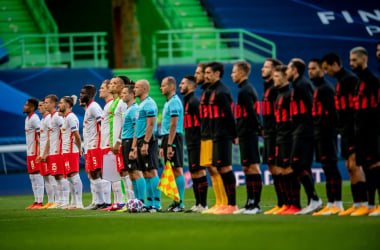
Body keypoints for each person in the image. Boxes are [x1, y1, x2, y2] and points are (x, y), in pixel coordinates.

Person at [321, 53, 368, 215]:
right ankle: (357, 204)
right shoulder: (341, 82)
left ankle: (364, 203)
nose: (326, 72)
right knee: (349, 166)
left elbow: (355, 107)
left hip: (353, 129)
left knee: (355, 165)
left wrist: (354, 127)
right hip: (345, 130)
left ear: (335, 64)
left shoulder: (350, 80)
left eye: (327, 68)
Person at [286, 58, 322, 215]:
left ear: (294, 70)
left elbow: (311, 108)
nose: (286, 71)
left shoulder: (302, 85)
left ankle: (314, 198)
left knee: (297, 164)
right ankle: (311, 201)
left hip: (305, 131)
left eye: (288, 69)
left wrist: (307, 128)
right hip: (300, 131)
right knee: (303, 166)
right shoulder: (298, 85)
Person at [308, 59, 343, 216]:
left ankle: (338, 203)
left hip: (327, 134)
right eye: (309, 69)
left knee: (331, 167)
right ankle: (330, 203)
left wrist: (329, 130)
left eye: (314, 68)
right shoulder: (318, 88)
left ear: (322, 70)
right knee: (327, 167)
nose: (310, 71)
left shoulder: (326, 89)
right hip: (320, 134)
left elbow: (333, 114)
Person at [349, 46, 380, 216]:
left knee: (375, 165)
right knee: (367, 168)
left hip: (372, 131)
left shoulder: (373, 81)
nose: (351, 63)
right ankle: (370, 204)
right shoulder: (359, 82)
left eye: (354, 60)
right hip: (360, 131)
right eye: (351, 60)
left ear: (364, 60)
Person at [206, 62, 238, 215]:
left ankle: (232, 204)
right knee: (219, 168)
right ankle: (225, 204)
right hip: (215, 135)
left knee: (225, 168)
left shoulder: (222, 91)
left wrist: (234, 134)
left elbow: (229, 115)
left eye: (209, 73)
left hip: (224, 135)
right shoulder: (212, 91)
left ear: (217, 73)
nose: (206, 76)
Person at [231, 61, 263, 214]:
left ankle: (255, 204)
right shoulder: (244, 89)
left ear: (242, 73)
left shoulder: (246, 91)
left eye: (234, 72)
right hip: (245, 134)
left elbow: (252, 113)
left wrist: (258, 129)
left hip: (249, 134)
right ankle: (249, 203)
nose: (232, 75)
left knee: (253, 167)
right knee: (246, 167)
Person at [196, 63, 228, 214]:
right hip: (206, 135)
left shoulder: (214, 91)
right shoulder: (206, 91)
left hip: (213, 135)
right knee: (211, 169)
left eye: (200, 73)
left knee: (215, 168)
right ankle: (219, 202)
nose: (198, 76)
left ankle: (224, 202)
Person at [260, 58, 286, 215]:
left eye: (266, 67)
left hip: (278, 133)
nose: (263, 69)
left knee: (281, 167)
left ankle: (289, 203)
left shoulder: (276, 89)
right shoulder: (268, 87)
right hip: (269, 133)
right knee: (272, 167)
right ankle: (281, 203)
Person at [179, 75, 208, 213]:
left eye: (183, 83)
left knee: (200, 171)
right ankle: (198, 204)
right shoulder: (187, 101)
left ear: (191, 86)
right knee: (194, 172)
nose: (180, 85)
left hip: (197, 143)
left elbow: (203, 122)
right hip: (190, 143)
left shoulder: (195, 102)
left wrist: (202, 141)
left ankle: (204, 204)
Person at [271, 65, 298, 215]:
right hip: (280, 136)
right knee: (281, 169)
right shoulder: (280, 95)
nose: (274, 79)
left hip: (288, 137)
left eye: (276, 76)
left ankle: (294, 204)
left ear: (284, 77)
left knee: (288, 170)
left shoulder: (289, 95)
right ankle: (287, 204)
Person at [106, 76, 135, 211]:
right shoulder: (117, 102)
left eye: (115, 83)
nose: (111, 85)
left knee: (126, 172)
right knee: (121, 172)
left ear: (122, 86)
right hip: (118, 141)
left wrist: (118, 141)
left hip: (124, 141)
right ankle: (124, 201)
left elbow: (125, 123)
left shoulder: (123, 103)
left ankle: (130, 200)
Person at [133, 79, 161, 212]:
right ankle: (149, 203)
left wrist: (145, 142)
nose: (134, 89)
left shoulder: (149, 104)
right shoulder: (141, 104)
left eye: (137, 87)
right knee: (145, 172)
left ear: (144, 89)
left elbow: (151, 124)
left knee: (152, 170)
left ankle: (156, 203)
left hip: (148, 140)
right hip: (140, 140)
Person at [117, 83, 146, 212]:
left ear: (131, 94)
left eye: (124, 93)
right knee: (131, 173)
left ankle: (142, 201)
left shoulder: (134, 109)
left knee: (136, 172)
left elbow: (136, 130)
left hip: (130, 142)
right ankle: (137, 200)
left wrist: (134, 148)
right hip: (125, 142)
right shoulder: (129, 109)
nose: (122, 95)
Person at [159, 76, 185, 212]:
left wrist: (169, 144)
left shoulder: (174, 102)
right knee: (172, 170)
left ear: (171, 87)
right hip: (167, 138)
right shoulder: (168, 102)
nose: (160, 88)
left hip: (173, 138)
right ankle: (176, 201)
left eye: (163, 85)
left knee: (177, 169)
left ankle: (180, 203)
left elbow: (174, 124)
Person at [80, 85, 107, 210]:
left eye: (83, 93)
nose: (81, 95)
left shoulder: (94, 107)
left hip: (95, 146)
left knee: (97, 172)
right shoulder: (89, 108)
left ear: (90, 95)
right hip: (89, 147)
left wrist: (99, 141)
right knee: (92, 173)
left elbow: (102, 123)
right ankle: (97, 201)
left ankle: (103, 202)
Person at [41, 94, 69, 209]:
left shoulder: (58, 117)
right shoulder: (50, 118)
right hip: (52, 151)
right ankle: (59, 200)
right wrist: (45, 152)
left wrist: (61, 148)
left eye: (47, 102)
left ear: (53, 104)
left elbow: (64, 132)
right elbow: (49, 137)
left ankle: (65, 200)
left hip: (58, 151)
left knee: (61, 176)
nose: (45, 104)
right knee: (56, 176)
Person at [58, 95, 84, 209]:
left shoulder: (71, 117)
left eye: (61, 103)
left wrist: (79, 149)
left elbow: (77, 135)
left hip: (71, 150)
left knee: (74, 175)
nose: (59, 105)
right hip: (66, 151)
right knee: (69, 177)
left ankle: (79, 203)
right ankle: (73, 202)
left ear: (67, 105)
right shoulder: (65, 118)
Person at [23, 98, 44, 209]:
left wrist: (39, 152)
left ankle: (40, 202)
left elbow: (40, 136)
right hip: (29, 152)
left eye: (26, 105)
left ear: (32, 107)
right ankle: (36, 201)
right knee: (32, 177)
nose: (24, 107)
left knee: (37, 176)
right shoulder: (27, 119)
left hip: (35, 151)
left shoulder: (35, 119)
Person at [37, 99, 57, 209]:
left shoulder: (50, 119)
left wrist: (45, 153)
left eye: (43, 104)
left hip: (49, 152)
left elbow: (50, 138)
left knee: (51, 176)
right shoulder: (43, 120)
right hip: (44, 151)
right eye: (40, 105)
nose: (41, 107)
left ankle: (56, 201)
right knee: (46, 178)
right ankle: (50, 201)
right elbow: (42, 139)